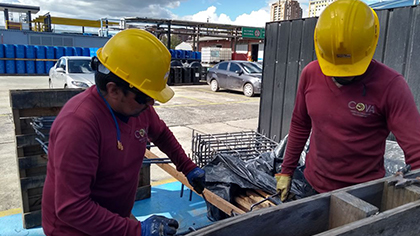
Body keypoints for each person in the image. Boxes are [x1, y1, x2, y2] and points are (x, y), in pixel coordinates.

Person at [42, 29, 206, 236]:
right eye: (144, 97)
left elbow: (161, 133)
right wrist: (138, 230)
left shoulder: (136, 107)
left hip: (113, 216)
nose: (151, 103)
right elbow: (72, 208)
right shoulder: (79, 126)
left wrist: (188, 168)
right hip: (75, 230)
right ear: (114, 90)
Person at [275, 0, 420, 201]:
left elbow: (416, 149)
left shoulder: (391, 85)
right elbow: (300, 124)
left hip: (363, 194)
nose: (341, 75)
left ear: (370, 44)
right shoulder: (310, 74)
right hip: (312, 186)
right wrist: (286, 171)